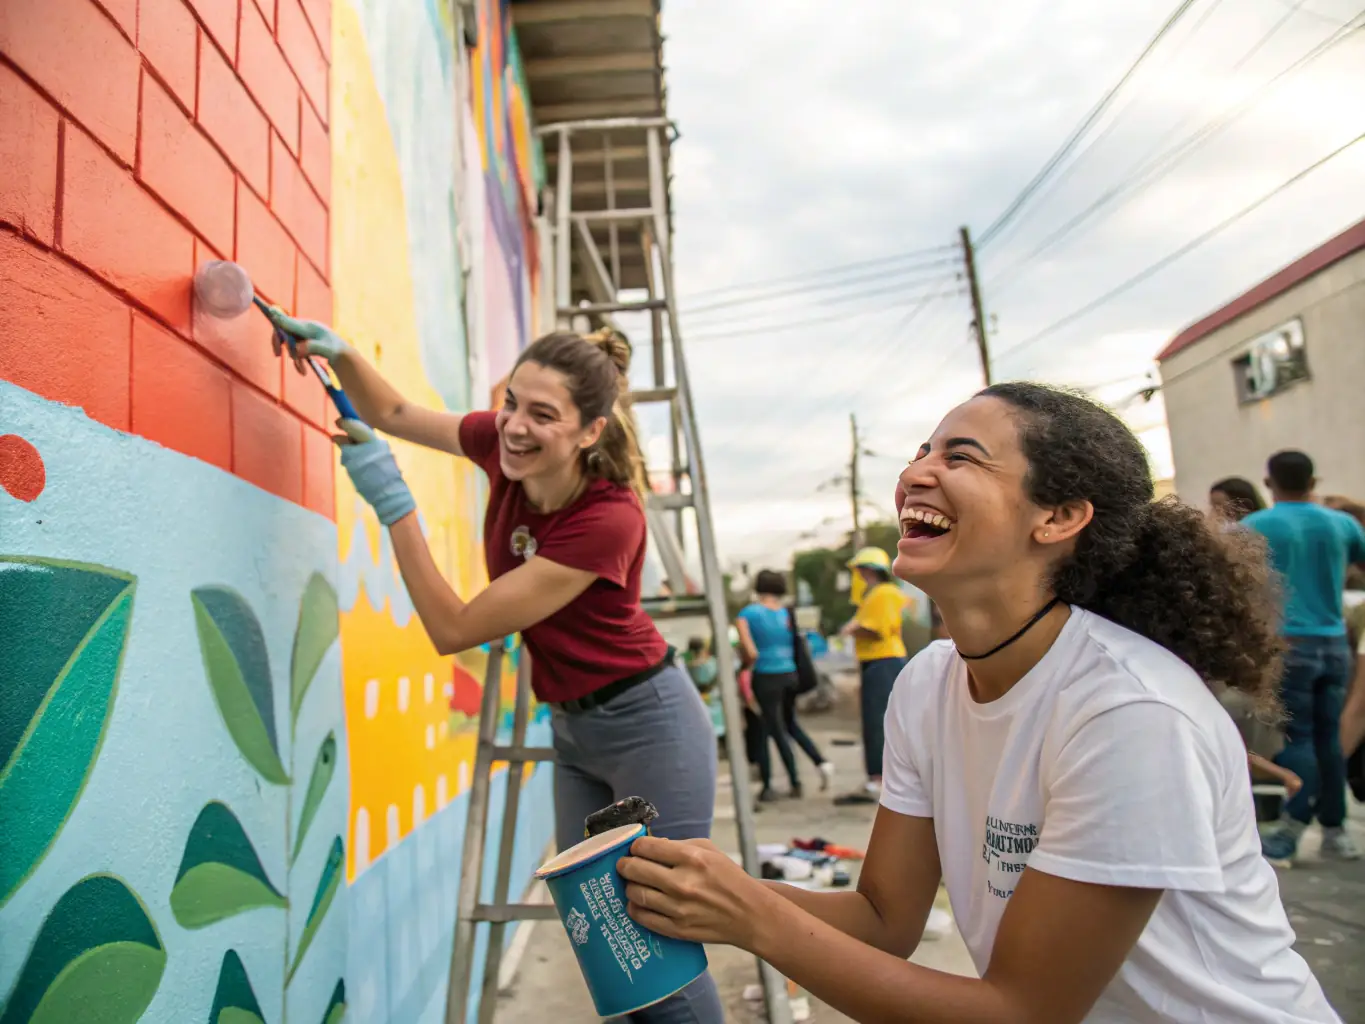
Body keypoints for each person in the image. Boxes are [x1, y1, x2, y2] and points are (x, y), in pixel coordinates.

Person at [615, 382, 1341, 1024]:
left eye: (958, 457)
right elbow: (881, 921)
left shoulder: (1128, 713)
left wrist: (754, 917)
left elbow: (1021, 1011)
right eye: (920, 451)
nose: (913, 475)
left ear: (1057, 516)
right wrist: (717, 892)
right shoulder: (927, 684)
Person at [263, 310, 724, 1022]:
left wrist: (394, 505)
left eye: (542, 415)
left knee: (659, 949)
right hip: (573, 733)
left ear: (589, 431)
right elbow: (389, 411)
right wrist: (339, 351)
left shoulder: (608, 517)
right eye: (511, 402)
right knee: (606, 943)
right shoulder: (502, 448)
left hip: (648, 724)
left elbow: (453, 628)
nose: (512, 425)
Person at [1244, 452, 1365, 863]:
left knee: (1299, 738)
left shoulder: (1256, 526)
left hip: (1287, 644)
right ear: (1314, 480)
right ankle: (1335, 831)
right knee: (1330, 739)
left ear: (1268, 481)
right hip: (1334, 644)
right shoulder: (1343, 524)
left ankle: (1291, 829)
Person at [735, 570, 833, 800]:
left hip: (765, 675)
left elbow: (750, 652)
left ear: (758, 587)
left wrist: (745, 667)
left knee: (770, 729)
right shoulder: (787, 614)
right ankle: (819, 763)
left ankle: (784, 783)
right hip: (790, 675)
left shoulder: (747, 614)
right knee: (788, 724)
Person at [834, 547, 907, 805]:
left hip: (883, 660)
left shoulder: (884, 594)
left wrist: (853, 629)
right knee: (874, 721)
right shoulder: (875, 595)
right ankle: (878, 777)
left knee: (878, 722)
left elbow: (877, 630)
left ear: (867, 569)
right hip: (876, 661)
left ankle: (879, 779)